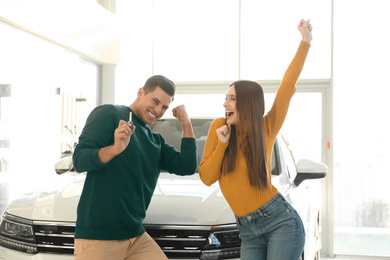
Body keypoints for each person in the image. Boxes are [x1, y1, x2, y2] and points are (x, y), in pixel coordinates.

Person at [198, 19, 313, 260]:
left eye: (231, 99)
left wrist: (305, 42)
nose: (224, 104)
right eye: (225, 98)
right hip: (247, 230)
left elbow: (287, 87)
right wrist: (222, 144)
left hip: (281, 223)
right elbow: (207, 178)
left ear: (248, 103)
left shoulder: (266, 127)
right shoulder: (219, 128)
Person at [72, 75, 198, 260]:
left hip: (136, 236)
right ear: (140, 93)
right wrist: (115, 149)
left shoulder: (156, 141)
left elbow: (186, 166)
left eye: (164, 107)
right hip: (100, 236)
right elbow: (79, 160)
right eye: (155, 101)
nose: (157, 110)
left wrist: (186, 123)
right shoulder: (110, 113)